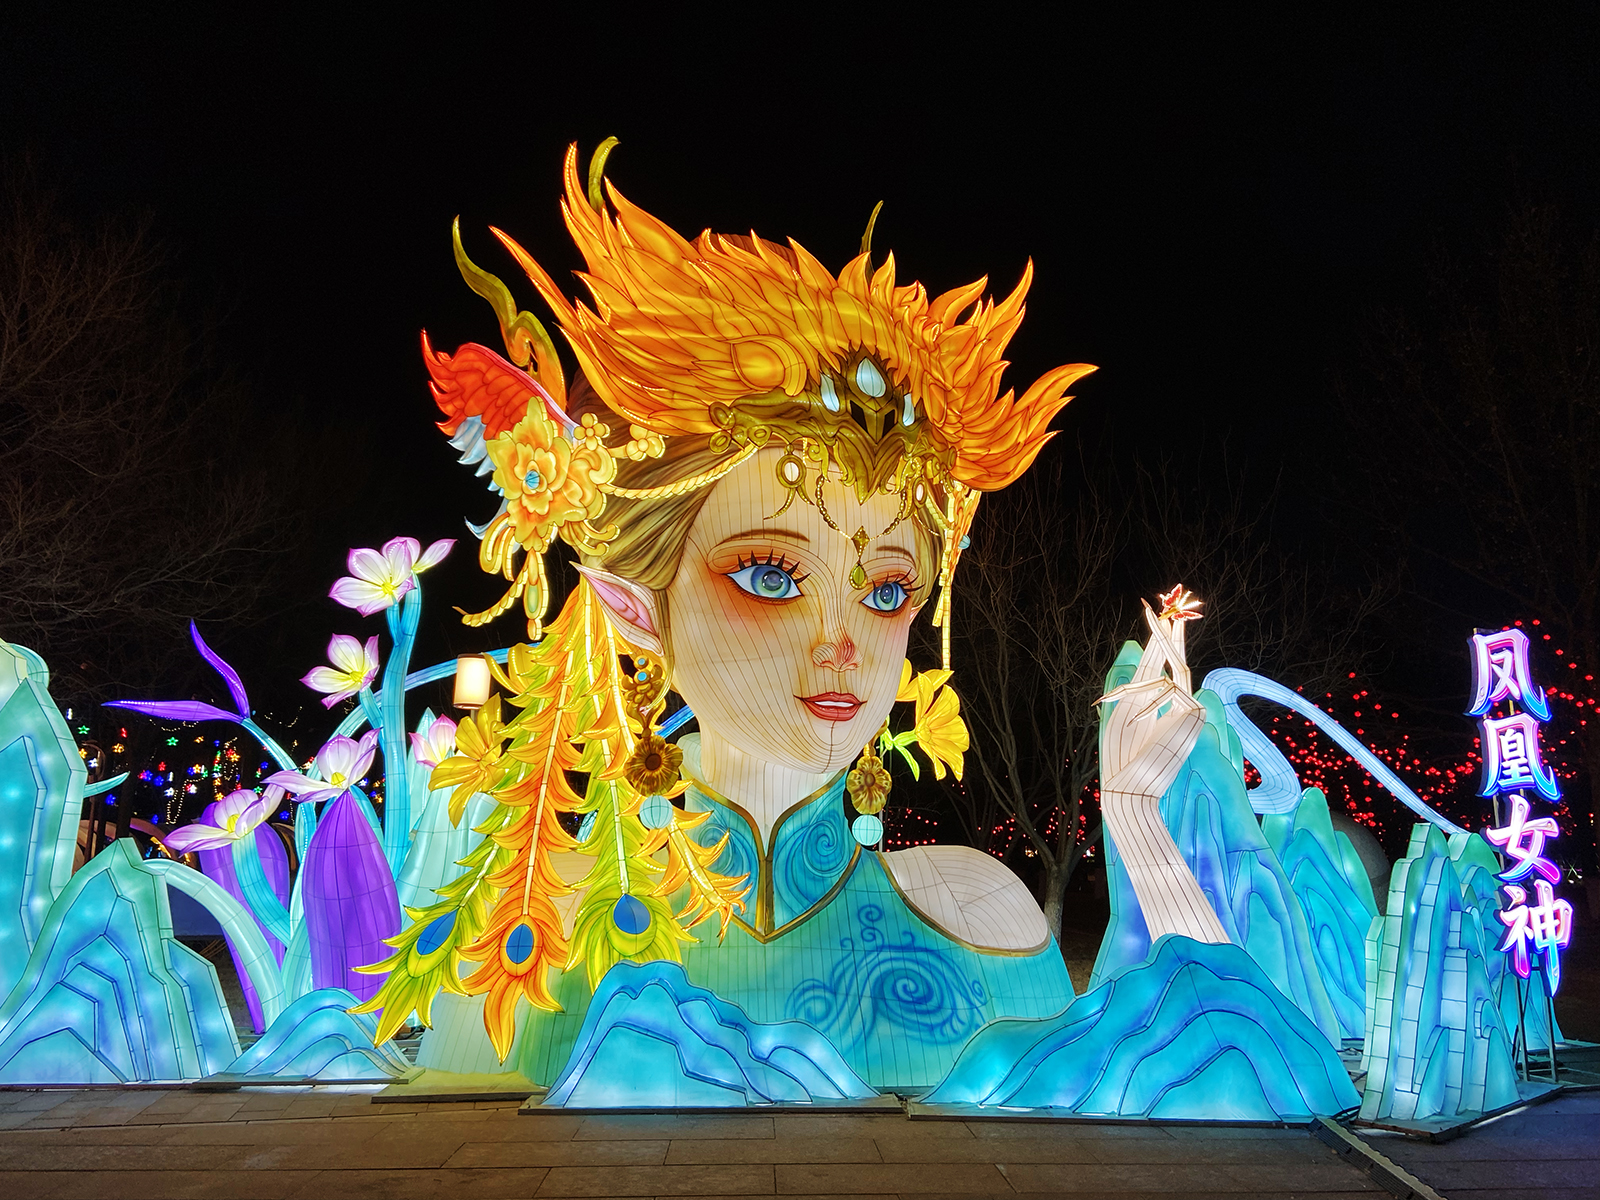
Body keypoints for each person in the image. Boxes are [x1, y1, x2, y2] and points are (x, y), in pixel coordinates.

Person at [363, 143, 1100, 1092]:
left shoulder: (984, 916)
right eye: (769, 574)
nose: (841, 643)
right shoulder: (536, 942)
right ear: (634, 606)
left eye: (885, 591)